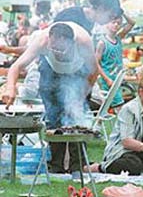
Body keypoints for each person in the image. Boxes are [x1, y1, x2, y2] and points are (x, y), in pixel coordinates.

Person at [3, 22, 97, 174]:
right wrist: (10, 88)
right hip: (51, 74)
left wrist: (82, 95)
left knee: (77, 120)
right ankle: (56, 165)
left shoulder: (83, 42)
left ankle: (77, 166)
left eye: (60, 49)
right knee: (54, 119)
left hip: (78, 73)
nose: (57, 52)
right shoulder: (42, 41)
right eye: (53, 48)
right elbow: (16, 67)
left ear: (72, 43)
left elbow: (94, 71)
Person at [85, 68, 143, 175]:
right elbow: (127, 142)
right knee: (133, 165)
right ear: (141, 92)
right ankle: (100, 167)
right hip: (124, 153)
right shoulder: (129, 109)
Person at [96, 13, 135, 108]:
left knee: (108, 107)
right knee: (119, 107)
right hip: (109, 81)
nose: (116, 25)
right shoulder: (102, 43)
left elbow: (132, 23)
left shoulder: (118, 38)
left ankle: (101, 121)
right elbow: (96, 63)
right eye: (113, 22)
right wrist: (107, 79)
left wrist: (122, 12)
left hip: (118, 79)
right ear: (107, 24)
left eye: (118, 23)